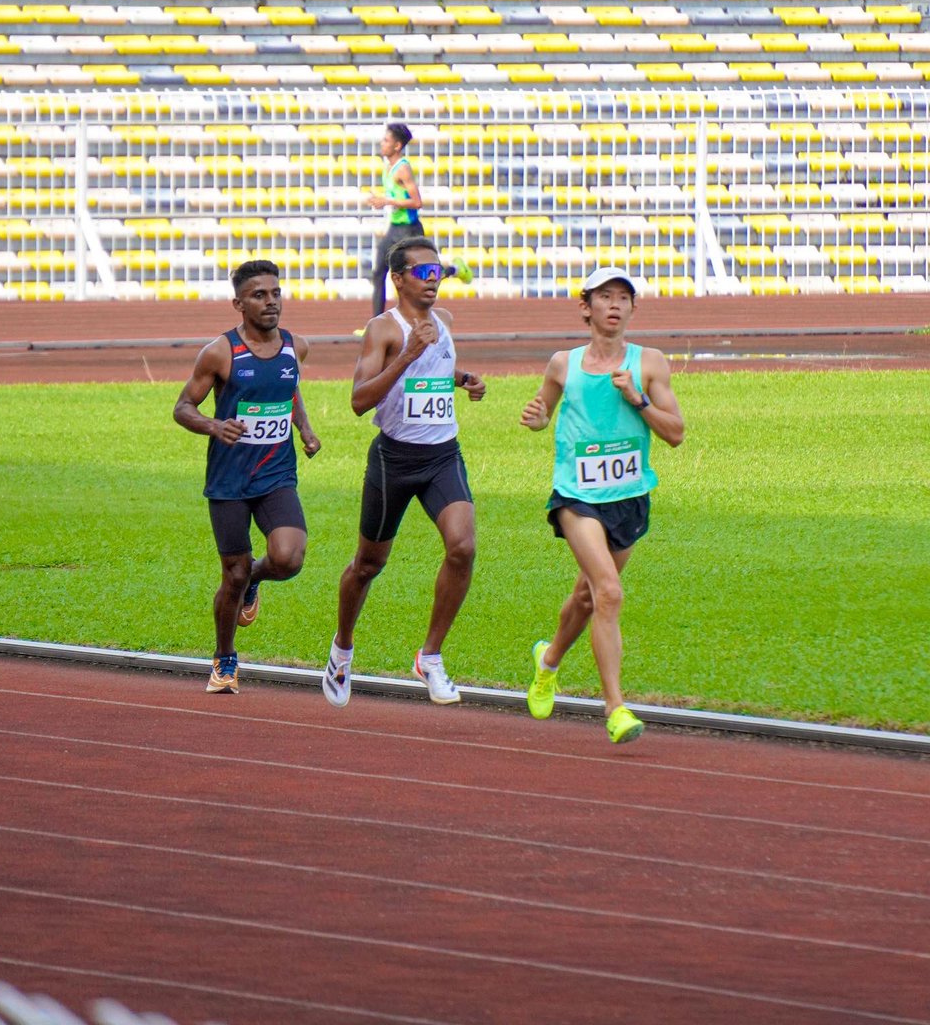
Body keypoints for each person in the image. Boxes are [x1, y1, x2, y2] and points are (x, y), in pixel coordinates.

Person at [519, 268, 685, 743]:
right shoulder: (562, 364)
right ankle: (615, 708)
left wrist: (637, 400)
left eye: (623, 298)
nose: (614, 305)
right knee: (609, 593)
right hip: (576, 495)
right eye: (604, 297)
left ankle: (548, 660)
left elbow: (675, 434)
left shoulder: (649, 363)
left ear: (633, 309)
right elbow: (542, 411)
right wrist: (535, 418)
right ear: (585, 306)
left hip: (629, 498)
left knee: (587, 597)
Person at [322, 235, 486, 709]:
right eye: (424, 273)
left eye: (439, 273)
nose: (435, 281)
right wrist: (408, 353)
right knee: (368, 565)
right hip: (394, 460)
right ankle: (342, 648)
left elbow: (434, 375)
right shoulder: (383, 330)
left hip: (442, 455)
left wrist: (463, 381)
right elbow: (358, 401)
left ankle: (430, 657)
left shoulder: (446, 322)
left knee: (464, 546)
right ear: (398, 279)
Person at [173, 259, 321, 694]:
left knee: (289, 557)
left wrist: (305, 428)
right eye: (259, 295)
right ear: (239, 303)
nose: (271, 301)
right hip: (230, 481)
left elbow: (289, 387)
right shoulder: (220, 352)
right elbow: (183, 407)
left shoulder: (297, 346)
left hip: (277, 474)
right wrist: (214, 426)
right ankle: (225, 657)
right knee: (231, 575)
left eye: (276, 293)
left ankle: (257, 578)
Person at [369, 122, 424, 318]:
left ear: (397, 146)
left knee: (417, 278)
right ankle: (376, 323)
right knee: (378, 272)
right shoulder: (388, 167)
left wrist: (386, 201)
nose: (382, 143)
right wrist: (380, 200)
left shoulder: (403, 169)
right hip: (395, 228)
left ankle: (453, 269)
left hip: (409, 231)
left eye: (386, 140)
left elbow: (417, 202)